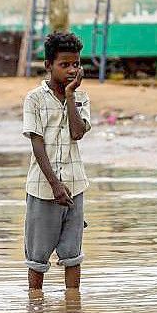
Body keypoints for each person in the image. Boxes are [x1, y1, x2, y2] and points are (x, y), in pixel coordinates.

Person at [22, 31, 91, 291]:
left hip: (75, 185)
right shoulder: (35, 99)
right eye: (65, 65)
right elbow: (37, 143)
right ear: (49, 65)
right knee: (37, 259)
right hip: (42, 188)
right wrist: (54, 185)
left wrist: (71, 95)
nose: (72, 70)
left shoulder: (81, 98)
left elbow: (77, 133)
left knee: (73, 255)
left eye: (76, 64)